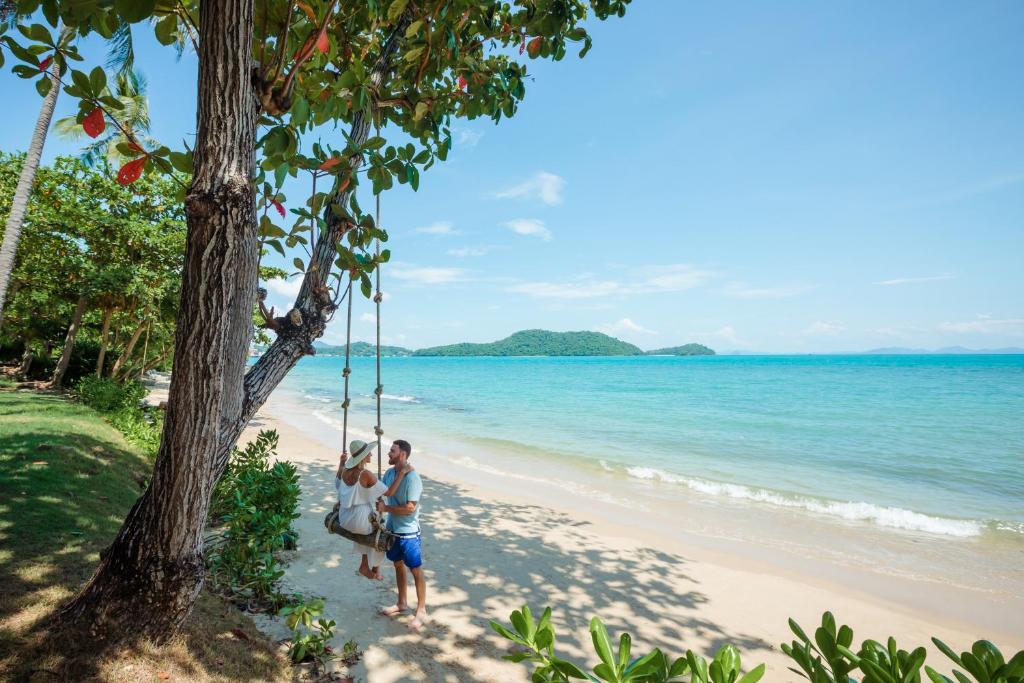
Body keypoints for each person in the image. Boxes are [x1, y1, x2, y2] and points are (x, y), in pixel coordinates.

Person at [334, 439, 411, 580]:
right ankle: (374, 568)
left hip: (344, 517)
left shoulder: (344, 470)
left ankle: (365, 565)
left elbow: (338, 484)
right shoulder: (365, 474)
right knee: (380, 531)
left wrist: (341, 462)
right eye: (369, 453)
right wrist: (402, 473)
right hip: (358, 519)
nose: (371, 455)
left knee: (365, 527)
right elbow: (389, 493)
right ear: (363, 456)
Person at [376, 439, 427, 630]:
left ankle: (421, 611)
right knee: (397, 565)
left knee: (415, 569)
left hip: (408, 532)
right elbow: (383, 492)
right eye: (390, 450)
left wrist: (386, 508)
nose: (389, 453)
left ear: (403, 454)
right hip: (392, 529)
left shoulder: (413, 479)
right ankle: (401, 603)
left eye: (392, 451)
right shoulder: (390, 473)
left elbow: (410, 508)